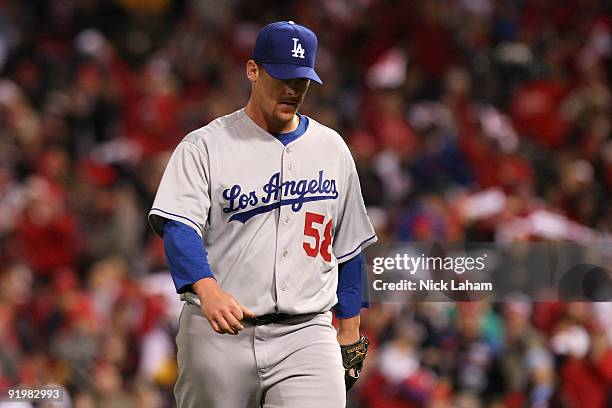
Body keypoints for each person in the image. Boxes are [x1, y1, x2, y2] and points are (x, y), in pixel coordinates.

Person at [148, 20, 376, 407]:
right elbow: (177, 225)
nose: (292, 89)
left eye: (301, 80)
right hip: (220, 331)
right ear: (253, 70)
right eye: (282, 76)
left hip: (306, 332)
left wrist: (350, 329)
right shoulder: (205, 146)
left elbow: (348, 246)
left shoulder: (331, 148)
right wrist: (207, 289)